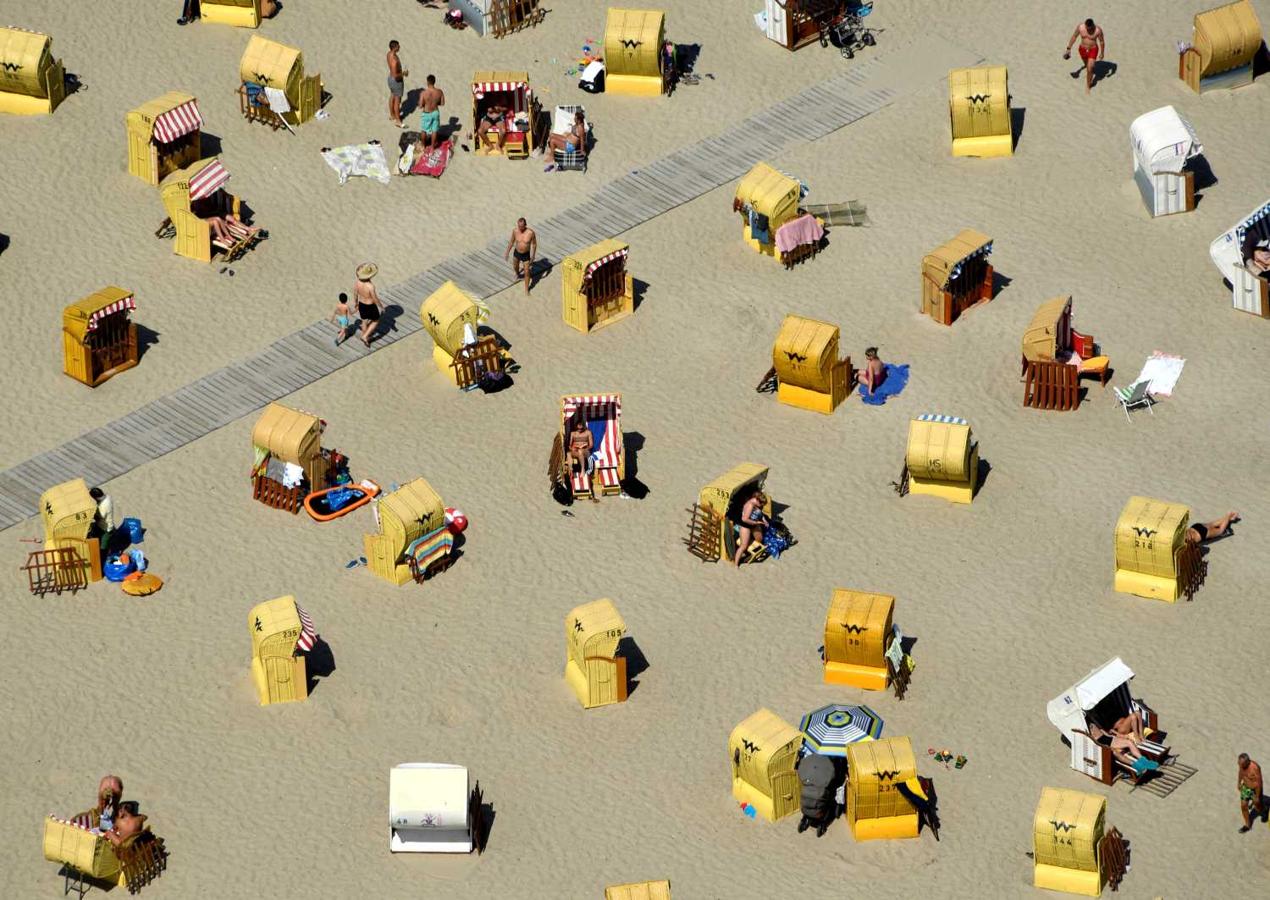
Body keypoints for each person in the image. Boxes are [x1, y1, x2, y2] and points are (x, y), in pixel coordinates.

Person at [1064, 18, 1105, 95]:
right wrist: (1068, 48)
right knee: (1086, 65)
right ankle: (1090, 68)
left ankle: (1088, 86)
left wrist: (1102, 53)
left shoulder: (1098, 30)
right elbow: (1074, 36)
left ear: (1093, 26)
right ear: (1085, 26)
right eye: (1087, 29)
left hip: (1093, 49)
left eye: (1090, 29)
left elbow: (1102, 41)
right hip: (1082, 49)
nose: (1089, 31)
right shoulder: (1081, 27)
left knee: (1090, 68)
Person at [734, 489, 770, 567]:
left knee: (759, 539)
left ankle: (751, 553)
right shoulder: (750, 505)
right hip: (746, 526)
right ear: (757, 500)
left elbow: (760, 512)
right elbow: (744, 519)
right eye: (761, 504)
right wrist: (756, 523)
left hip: (754, 524)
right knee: (743, 546)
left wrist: (764, 520)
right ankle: (736, 564)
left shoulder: (757, 503)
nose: (761, 505)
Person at [567, 416, 598, 502]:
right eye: (578, 429)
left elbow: (591, 444)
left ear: (583, 427)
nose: (580, 430)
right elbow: (569, 445)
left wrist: (586, 447)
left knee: (581, 451)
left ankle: (583, 469)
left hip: (586, 451)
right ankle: (571, 469)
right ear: (576, 427)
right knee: (568, 453)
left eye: (581, 429)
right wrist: (572, 448)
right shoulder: (573, 433)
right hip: (576, 450)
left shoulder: (588, 433)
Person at [353, 263, 384, 347]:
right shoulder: (370, 286)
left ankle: (365, 337)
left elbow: (355, 294)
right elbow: (375, 298)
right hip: (370, 306)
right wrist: (381, 306)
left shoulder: (357, 283)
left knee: (364, 321)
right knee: (375, 321)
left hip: (361, 304)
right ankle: (365, 336)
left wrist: (356, 303)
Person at [504, 218, 537, 293]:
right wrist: (507, 252)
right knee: (515, 266)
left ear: (525, 225)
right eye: (519, 226)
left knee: (527, 272)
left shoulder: (531, 233)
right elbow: (511, 242)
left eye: (521, 226)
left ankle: (526, 289)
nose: (520, 228)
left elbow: (534, 244)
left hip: (526, 255)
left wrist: (533, 255)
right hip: (517, 252)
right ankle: (517, 274)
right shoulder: (515, 231)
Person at [1238, 754, 1266, 833]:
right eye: (1239, 763)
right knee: (1243, 806)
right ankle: (1247, 825)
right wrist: (1239, 782)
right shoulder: (1241, 764)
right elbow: (1240, 772)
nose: (1240, 765)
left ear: (1247, 762)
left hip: (1255, 789)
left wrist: (1257, 796)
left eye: (1242, 764)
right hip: (1245, 788)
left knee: (1257, 807)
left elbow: (1259, 783)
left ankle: (1264, 810)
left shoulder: (1255, 768)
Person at [418, 75, 445, 151]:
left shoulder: (423, 93)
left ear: (427, 82)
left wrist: (424, 103)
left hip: (426, 113)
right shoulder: (439, 92)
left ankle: (423, 145)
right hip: (435, 112)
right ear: (434, 82)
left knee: (424, 130)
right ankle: (432, 147)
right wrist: (435, 103)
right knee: (434, 131)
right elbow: (442, 103)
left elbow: (420, 106)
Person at [386, 40, 407, 128]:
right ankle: (398, 121)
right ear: (394, 47)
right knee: (397, 101)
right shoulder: (394, 60)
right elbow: (396, 76)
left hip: (390, 79)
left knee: (392, 96)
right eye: (398, 46)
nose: (399, 47)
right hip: (396, 81)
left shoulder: (389, 54)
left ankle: (392, 115)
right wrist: (404, 73)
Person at [89, 487, 115, 551]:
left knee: (103, 547)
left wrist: (90, 514)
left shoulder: (103, 507)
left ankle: (105, 553)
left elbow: (98, 517)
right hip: (101, 524)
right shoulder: (107, 497)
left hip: (106, 528)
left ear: (96, 497)